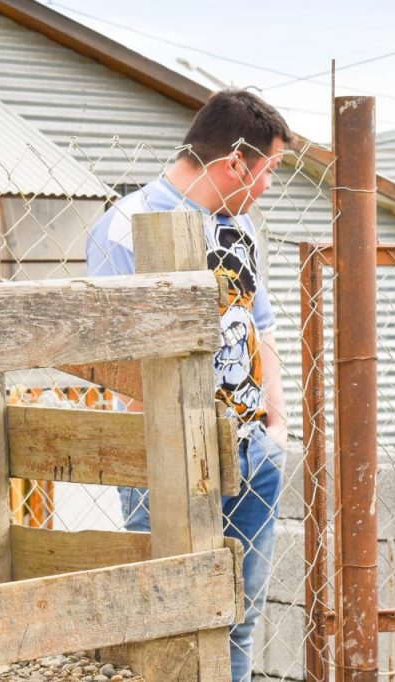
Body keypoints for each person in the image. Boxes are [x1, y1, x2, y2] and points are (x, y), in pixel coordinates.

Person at [86, 89, 292, 680]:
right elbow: (115, 355)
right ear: (235, 161)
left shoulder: (240, 225)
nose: (269, 185)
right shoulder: (126, 226)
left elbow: (262, 327)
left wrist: (276, 424)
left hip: (252, 450)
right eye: (269, 170)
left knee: (240, 615)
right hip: (167, 457)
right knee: (170, 620)